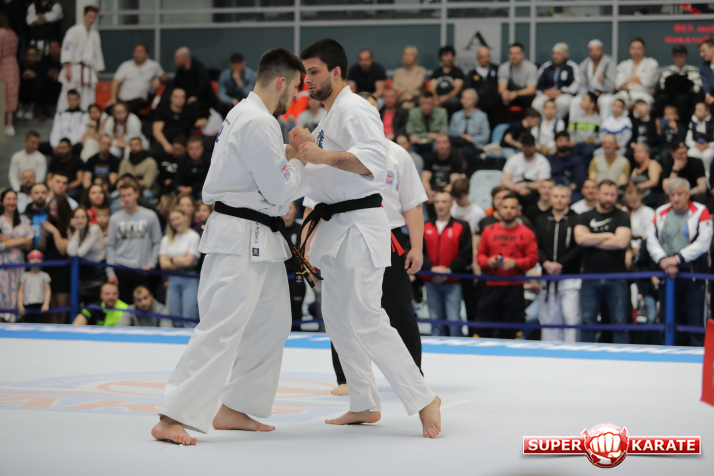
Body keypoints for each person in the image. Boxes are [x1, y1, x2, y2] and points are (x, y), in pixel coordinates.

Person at [152, 47, 309, 445]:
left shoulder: (247, 114)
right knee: (221, 326)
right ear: (281, 82)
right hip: (240, 235)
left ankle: (236, 407)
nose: (296, 96)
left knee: (274, 322)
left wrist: (287, 156)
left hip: (259, 237)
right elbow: (278, 190)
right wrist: (301, 159)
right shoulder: (257, 120)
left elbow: (260, 173)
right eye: (295, 87)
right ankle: (172, 416)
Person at [297, 38, 440, 436]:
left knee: (365, 316)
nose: (307, 80)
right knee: (337, 319)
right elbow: (318, 182)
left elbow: (373, 162)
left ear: (336, 72)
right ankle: (363, 402)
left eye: (314, 72)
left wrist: (318, 155)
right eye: (305, 73)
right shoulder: (328, 118)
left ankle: (424, 398)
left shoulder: (356, 109)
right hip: (334, 227)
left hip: (360, 224)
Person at [330, 91, 427, 395]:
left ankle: (413, 376)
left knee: (399, 308)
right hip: (345, 235)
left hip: (389, 236)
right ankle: (347, 378)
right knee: (342, 307)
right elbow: (316, 203)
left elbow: (412, 204)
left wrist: (416, 247)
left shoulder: (397, 154)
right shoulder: (335, 154)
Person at [647, 178, 712, 346]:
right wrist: (662, 260)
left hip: (693, 274)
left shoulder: (700, 211)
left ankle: (699, 356)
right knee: (667, 321)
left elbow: (703, 243)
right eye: (672, 194)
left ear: (688, 194)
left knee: (696, 321)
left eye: (680, 194)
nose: (676, 198)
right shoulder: (660, 212)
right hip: (666, 272)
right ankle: (666, 356)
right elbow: (651, 240)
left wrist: (677, 259)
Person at [574, 180, 632, 344]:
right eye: (605, 194)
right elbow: (580, 239)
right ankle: (586, 356)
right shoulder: (585, 216)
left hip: (616, 276)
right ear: (597, 194)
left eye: (612, 195)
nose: (608, 198)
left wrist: (592, 239)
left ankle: (623, 356)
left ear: (617, 195)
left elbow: (621, 242)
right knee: (587, 321)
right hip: (590, 277)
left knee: (620, 322)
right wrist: (607, 235)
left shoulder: (622, 216)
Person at [477, 193, 538, 339]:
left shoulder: (527, 233)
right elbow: (480, 256)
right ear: (498, 209)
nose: (508, 211)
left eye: (512, 207)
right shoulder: (488, 230)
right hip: (492, 284)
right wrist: (489, 261)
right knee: (485, 329)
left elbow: (533, 259)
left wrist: (515, 263)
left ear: (518, 210)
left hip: (514, 287)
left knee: (510, 332)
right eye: (505, 207)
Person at [535, 184, 583, 342]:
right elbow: (536, 245)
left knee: (571, 316)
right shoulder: (542, 219)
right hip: (547, 277)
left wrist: (561, 264)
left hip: (570, 276)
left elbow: (579, 247)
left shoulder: (577, 219)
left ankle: (572, 349)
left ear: (569, 199)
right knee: (549, 318)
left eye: (563, 196)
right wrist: (545, 263)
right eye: (555, 196)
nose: (559, 200)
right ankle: (550, 351)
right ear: (550, 198)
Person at [422, 191, 472, 337]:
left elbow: (467, 254)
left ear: (451, 204)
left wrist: (448, 270)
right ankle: (437, 351)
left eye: (444, 202)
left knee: (454, 321)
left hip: (452, 281)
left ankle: (457, 350)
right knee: (435, 321)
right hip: (430, 281)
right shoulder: (425, 226)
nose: (440, 205)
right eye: (437, 202)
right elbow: (419, 252)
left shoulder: (462, 226)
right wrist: (431, 269)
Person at [106, 181, 161, 304]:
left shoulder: (150, 215)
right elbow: (110, 246)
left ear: (136, 194)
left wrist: (151, 264)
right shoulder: (115, 218)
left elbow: (157, 242)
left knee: (145, 307)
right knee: (124, 308)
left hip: (143, 269)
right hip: (120, 268)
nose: (126, 199)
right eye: (123, 196)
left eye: (129, 195)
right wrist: (110, 272)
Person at [159, 207, 200, 328]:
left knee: (189, 316)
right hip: (173, 279)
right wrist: (181, 259)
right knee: (174, 317)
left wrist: (171, 259)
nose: (175, 222)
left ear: (185, 217)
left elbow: (188, 262)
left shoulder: (193, 236)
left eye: (178, 218)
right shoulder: (166, 239)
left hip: (189, 278)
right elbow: (163, 264)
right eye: (172, 220)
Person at [57, 6, 104, 111]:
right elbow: (67, 49)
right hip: (74, 68)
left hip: (89, 70)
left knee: (88, 98)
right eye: (90, 16)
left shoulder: (95, 34)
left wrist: (97, 70)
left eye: (94, 17)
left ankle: (86, 118)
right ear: (84, 15)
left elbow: (98, 53)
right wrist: (68, 68)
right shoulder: (73, 31)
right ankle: (62, 116)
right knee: (68, 95)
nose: (92, 20)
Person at [0, 190, 33, 322]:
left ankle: (16, 321)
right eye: (8, 199)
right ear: (2, 202)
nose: (11, 202)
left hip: (19, 265)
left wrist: (7, 241)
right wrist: (20, 241)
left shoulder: (24, 220)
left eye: (14, 199)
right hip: (2, 266)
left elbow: (29, 243)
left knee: (18, 293)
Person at [38, 195, 71, 324]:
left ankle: (62, 330)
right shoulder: (49, 222)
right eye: (51, 209)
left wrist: (55, 232)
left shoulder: (69, 224)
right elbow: (41, 248)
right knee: (51, 308)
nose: (53, 213)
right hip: (49, 268)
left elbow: (63, 250)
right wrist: (43, 235)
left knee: (62, 308)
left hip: (63, 270)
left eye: (55, 210)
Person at [108, 42, 165, 114]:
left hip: (139, 101)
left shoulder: (153, 66)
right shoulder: (125, 65)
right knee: (108, 109)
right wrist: (113, 98)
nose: (137, 54)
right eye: (135, 52)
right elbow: (115, 81)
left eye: (140, 52)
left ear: (146, 54)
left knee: (123, 111)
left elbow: (164, 77)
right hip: (121, 100)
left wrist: (157, 78)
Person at [152, 88, 207, 159]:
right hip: (165, 142)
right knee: (155, 151)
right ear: (171, 98)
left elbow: (202, 120)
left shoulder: (190, 110)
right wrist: (166, 145)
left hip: (184, 144)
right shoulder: (163, 110)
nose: (179, 99)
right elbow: (156, 131)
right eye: (176, 97)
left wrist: (203, 121)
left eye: (182, 97)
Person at [570, 39, 617, 120]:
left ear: (602, 50)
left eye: (597, 49)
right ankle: (575, 125)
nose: (595, 52)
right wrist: (586, 96)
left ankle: (603, 126)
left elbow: (612, 87)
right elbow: (581, 84)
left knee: (606, 102)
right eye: (592, 50)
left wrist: (604, 81)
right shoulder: (584, 64)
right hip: (588, 93)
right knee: (575, 101)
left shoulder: (609, 63)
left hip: (604, 93)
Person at [67, 206, 106, 302]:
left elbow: (80, 253)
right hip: (84, 269)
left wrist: (76, 230)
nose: (80, 220)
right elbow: (71, 252)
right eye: (77, 217)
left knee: (96, 301)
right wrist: (76, 231)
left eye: (83, 217)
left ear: (88, 219)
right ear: (72, 219)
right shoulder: (72, 230)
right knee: (82, 301)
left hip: (98, 270)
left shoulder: (94, 228)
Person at [501, 133, 551, 206]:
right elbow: (504, 180)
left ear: (534, 146)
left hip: (533, 190)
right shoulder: (514, 158)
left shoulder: (542, 161)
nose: (527, 148)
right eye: (525, 146)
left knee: (531, 198)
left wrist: (526, 185)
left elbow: (543, 183)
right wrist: (516, 188)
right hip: (515, 188)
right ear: (521, 146)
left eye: (529, 146)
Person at [531, 43, 580, 119]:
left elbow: (576, 84)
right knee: (536, 104)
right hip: (547, 94)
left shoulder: (572, 67)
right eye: (554, 53)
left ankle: (556, 122)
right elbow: (538, 83)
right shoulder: (546, 66)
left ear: (565, 55)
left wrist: (561, 91)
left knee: (563, 103)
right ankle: (544, 122)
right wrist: (545, 91)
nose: (555, 56)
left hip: (564, 94)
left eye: (559, 54)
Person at [448, 88, 490, 173]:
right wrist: (461, 138)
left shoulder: (482, 116)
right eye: (463, 98)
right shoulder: (456, 116)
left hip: (474, 146)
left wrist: (471, 139)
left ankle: (459, 173)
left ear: (474, 101)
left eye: (468, 98)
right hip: (458, 144)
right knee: (450, 150)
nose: (465, 101)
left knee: (464, 151)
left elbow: (485, 136)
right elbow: (450, 133)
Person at [656, 45, 701, 121]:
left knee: (682, 99)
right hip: (669, 96)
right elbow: (662, 86)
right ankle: (660, 123)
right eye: (676, 56)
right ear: (673, 57)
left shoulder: (694, 70)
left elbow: (697, 88)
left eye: (681, 56)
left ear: (686, 56)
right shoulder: (667, 70)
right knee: (661, 98)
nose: (678, 59)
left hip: (686, 97)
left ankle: (681, 125)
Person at [421, 134, 463, 213]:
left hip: (449, 193)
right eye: (439, 142)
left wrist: (438, 195)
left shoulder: (456, 159)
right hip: (432, 192)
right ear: (435, 145)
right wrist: (429, 192)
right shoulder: (429, 159)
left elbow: (454, 183)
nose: (441, 145)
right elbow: (425, 180)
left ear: (449, 144)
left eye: (444, 142)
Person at [614, 38, 658, 108]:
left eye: (639, 48)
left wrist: (628, 81)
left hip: (643, 94)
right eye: (633, 48)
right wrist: (638, 80)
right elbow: (619, 84)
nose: (636, 51)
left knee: (642, 107)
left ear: (644, 50)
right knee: (615, 104)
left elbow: (649, 81)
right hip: (625, 95)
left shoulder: (651, 63)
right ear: (629, 50)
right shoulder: (623, 65)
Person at [465, 46, 501, 128]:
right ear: (477, 58)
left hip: (496, 104)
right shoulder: (472, 74)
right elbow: (468, 90)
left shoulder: (497, 70)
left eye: (488, 56)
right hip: (479, 102)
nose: (486, 59)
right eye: (482, 57)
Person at [172, 46, 215, 111]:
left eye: (176, 58)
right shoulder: (180, 71)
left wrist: (195, 96)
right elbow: (176, 86)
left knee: (193, 105)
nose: (174, 61)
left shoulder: (199, 68)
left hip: (203, 99)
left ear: (184, 58)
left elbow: (204, 84)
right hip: (185, 98)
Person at [46, 89, 88, 155]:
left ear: (79, 100)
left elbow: (81, 132)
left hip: (74, 144)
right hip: (59, 143)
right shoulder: (60, 114)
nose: (72, 102)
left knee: (79, 148)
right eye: (70, 99)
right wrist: (55, 144)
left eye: (74, 100)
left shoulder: (84, 115)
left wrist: (67, 145)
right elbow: (56, 130)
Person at [406, 91, 448, 157]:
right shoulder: (413, 113)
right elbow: (409, 132)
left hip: (434, 143)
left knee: (439, 145)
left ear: (433, 103)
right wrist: (429, 136)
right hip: (417, 143)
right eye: (423, 103)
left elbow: (443, 133)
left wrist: (422, 139)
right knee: (410, 148)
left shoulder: (441, 113)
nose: (426, 106)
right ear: (419, 103)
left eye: (429, 104)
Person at [548, 131, 587, 202]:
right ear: (555, 142)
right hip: (552, 190)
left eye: (566, 140)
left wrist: (567, 191)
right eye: (560, 141)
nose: (563, 143)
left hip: (571, 191)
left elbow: (579, 180)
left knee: (575, 199)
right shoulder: (550, 159)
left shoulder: (577, 160)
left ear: (569, 142)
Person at [498, 42, 538, 110]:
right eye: (511, 53)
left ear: (523, 54)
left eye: (517, 53)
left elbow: (531, 90)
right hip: (510, 94)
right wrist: (505, 93)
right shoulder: (503, 67)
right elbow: (501, 88)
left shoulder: (531, 67)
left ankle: (527, 117)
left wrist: (516, 93)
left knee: (529, 98)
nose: (514, 56)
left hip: (523, 95)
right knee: (498, 98)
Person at [429, 45, 465, 117]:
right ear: (441, 57)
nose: (449, 58)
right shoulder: (436, 72)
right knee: (425, 101)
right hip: (437, 98)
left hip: (451, 98)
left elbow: (457, 90)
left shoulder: (458, 72)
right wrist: (435, 98)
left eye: (451, 55)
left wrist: (445, 98)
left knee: (454, 102)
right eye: (446, 55)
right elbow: (432, 87)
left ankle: (451, 123)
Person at [17, 249, 51, 323]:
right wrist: (20, 305)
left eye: (38, 257)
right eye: (32, 257)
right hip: (27, 305)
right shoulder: (24, 276)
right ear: (28, 259)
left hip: (40, 306)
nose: (35, 260)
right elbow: (21, 291)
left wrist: (46, 304)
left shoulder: (44, 276)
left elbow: (47, 291)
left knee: (40, 324)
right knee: (27, 325)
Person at [0, 13, 19, 137]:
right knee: (11, 93)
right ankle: (9, 125)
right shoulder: (12, 32)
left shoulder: (0, 33)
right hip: (13, 64)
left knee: (2, 94)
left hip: (2, 65)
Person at [685, 102, 714, 176]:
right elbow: (688, 140)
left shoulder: (712, 122)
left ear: (707, 112)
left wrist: (709, 145)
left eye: (699, 110)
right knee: (691, 153)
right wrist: (696, 145)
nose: (696, 112)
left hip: (710, 147)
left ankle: (708, 176)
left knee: (707, 155)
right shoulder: (693, 122)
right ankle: (694, 176)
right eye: (695, 110)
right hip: (697, 146)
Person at [629, 143, 663, 207]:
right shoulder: (635, 170)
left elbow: (654, 182)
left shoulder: (652, 163)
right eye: (635, 152)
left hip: (654, 195)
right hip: (640, 195)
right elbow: (631, 184)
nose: (637, 154)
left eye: (640, 151)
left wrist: (637, 187)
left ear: (647, 153)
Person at [35, 38, 61, 118]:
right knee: (39, 83)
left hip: (60, 84)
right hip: (48, 84)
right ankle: (43, 109)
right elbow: (41, 72)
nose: (53, 50)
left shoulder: (64, 59)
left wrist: (59, 75)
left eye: (56, 47)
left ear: (60, 48)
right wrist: (48, 74)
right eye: (51, 47)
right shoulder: (44, 59)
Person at [23, 182, 49, 249]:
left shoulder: (53, 214)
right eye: (36, 193)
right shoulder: (24, 217)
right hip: (29, 253)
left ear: (47, 194)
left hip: (50, 254)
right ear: (31, 195)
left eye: (43, 192)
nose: (40, 195)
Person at [17, 46, 40, 119]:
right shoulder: (21, 65)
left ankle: (30, 110)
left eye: (33, 55)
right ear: (26, 55)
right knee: (18, 85)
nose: (31, 57)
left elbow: (39, 74)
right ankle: (20, 109)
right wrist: (24, 76)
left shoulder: (39, 65)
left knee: (36, 85)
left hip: (33, 87)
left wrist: (34, 75)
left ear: (37, 56)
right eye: (29, 55)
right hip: (23, 87)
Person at [699, 38, 714, 107]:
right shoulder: (703, 66)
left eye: (703, 51)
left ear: (712, 48)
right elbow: (706, 83)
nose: (701, 54)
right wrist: (707, 95)